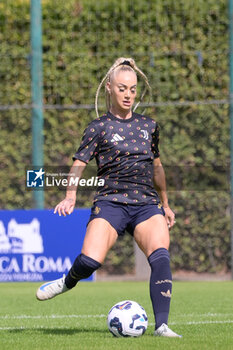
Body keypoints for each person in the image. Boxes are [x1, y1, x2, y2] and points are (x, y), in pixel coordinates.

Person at [36, 57, 181, 338]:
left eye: (133, 89)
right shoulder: (97, 127)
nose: (128, 95)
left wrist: (165, 204)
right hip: (110, 202)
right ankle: (68, 281)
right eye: (122, 88)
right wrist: (69, 196)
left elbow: (157, 167)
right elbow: (79, 164)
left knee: (161, 256)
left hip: (145, 205)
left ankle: (162, 325)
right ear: (109, 88)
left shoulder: (149, 126)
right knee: (90, 261)